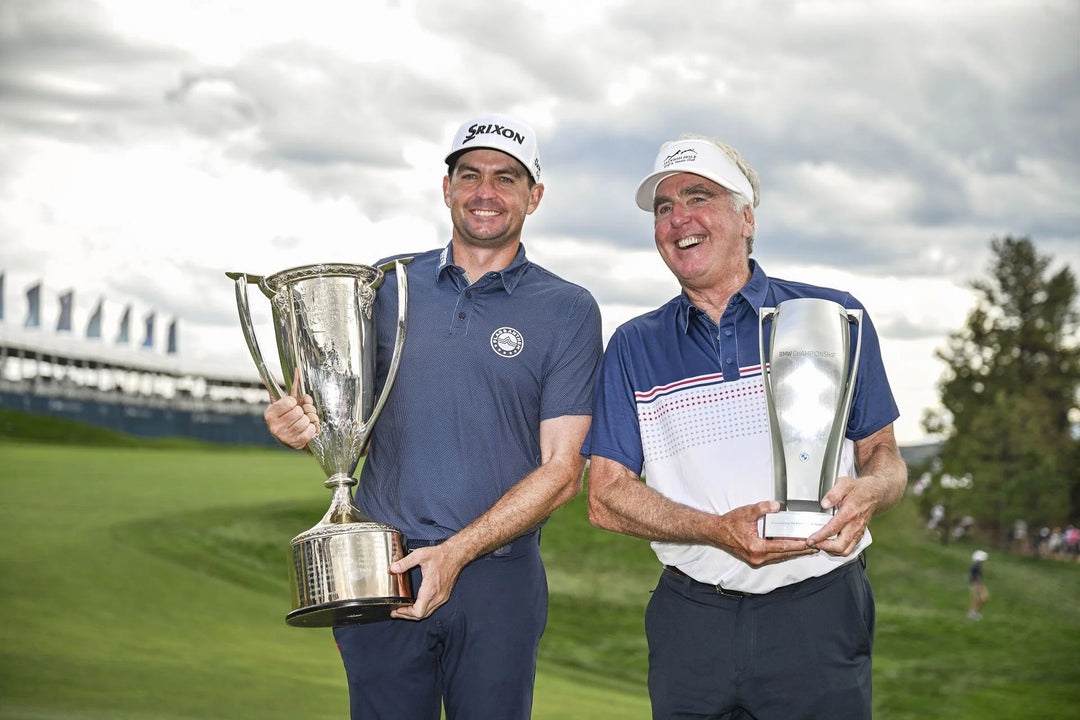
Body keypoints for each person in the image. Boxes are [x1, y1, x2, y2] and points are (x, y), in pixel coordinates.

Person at [264, 113, 603, 720]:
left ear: (535, 196)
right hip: (383, 566)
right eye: (469, 175)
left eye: (506, 178)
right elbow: (346, 417)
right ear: (446, 188)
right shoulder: (386, 283)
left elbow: (562, 470)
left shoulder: (569, 309)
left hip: (498, 577)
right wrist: (300, 425)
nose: (485, 193)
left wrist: (455, 553)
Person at [583, 134, 908, 720]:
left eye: (697, 196)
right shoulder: (633, 345)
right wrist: (713, 530)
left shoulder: (835, 317)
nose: (678, 216)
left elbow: (884, 456)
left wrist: (872, 492)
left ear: (746, 218)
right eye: (663, 207)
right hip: (692, 622)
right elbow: (605, 497)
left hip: (819, 609)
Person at [968, 550, 989, 619]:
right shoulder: (976, 567)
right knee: (981, 599)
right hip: (977, 584)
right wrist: (978, 585)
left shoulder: (977, 566)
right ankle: (973, 613)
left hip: (976, 584)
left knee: (979, 599)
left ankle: (973, 612)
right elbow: (975, 577)